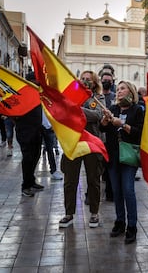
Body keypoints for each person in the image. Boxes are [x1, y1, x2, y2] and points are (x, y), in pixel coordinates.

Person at [59, 70, 105, 228]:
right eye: (83, 79)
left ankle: (94, 213)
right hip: (73, 142)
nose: (86, 82)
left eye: (89, 80)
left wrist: (77, 110)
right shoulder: (70, 97)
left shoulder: (98, 98)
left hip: (91, 143)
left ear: (94, 83)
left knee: (93, 180)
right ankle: (68, 213)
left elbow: (97, 115)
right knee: (70, 180)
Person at [100, 81, 144, 244]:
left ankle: (132, 226)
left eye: (122, 89)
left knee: (128, 190)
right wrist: (105, 121)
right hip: (113, 155)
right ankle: (120, 222)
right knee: (116, 191)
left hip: (129, 156)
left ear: (131, 92)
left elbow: (139, 133)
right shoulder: (113, 109)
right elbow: (103, 129)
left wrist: (123, 125)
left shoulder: (137, 110)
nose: (118, 92)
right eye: (117, 89)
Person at [13, 71, 44, 197]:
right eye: (34, 81)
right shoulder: (21, 94)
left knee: (36, 155)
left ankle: (31, 181)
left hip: (37, 130)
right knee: (28, 158)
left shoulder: (37, 93)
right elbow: (13, 111)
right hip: (25, 131)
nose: (37, 83)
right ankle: (25, 186)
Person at [100, 71, 116, 201]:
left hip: (110, 138)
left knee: (110, 166)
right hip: (99, 136)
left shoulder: (115, 97)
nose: (107, 82)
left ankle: (110, 192)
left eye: (109, 80)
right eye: (104, 80)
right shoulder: (97, 97)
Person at [42, 109, 63, 180]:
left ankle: (53, 171)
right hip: (38, 127)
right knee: (35, 151)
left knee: (50, 150)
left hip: (49, 128)